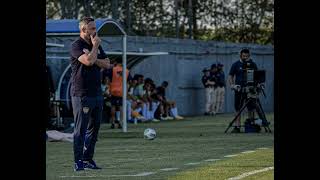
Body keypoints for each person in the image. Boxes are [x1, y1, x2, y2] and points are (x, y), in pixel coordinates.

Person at [70, 17, 111, 171]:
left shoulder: (95, 44)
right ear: (83, 30)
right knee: (80, 130)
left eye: (95, 28)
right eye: (92, 28)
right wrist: (94, 50)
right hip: (82, 94)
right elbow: (87, 62)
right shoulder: (76, 45)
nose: (95, 31)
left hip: (97, 93)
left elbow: (107, 64)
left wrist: (93, 56)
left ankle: (88, 160)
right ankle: (78, 161)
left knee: (94, 130)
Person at [228, 48, 258, 133]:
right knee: (238, 108)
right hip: (239, 89)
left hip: (250, 89)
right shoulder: (236, 64)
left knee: (251, 108)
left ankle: (251, 125)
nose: (245, 57)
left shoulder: (252, 64)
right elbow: (230, 76)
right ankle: (237, 127)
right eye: (243, 56)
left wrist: (257, 85)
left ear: (249, 56)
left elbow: (257, 75)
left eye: (247, 56)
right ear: (240, 55)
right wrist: (232, 85)